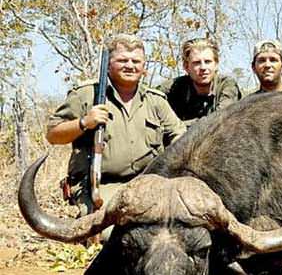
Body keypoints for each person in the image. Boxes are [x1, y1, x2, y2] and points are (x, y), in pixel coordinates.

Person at [47, 33, 187, 227]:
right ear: (109, 63)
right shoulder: (87, 94)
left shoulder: (156, 100)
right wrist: (84, 122)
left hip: (149, 184)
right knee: (113, 234)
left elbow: (180, 136)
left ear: (144, 66)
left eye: (136, 61)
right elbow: (53, 134)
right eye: (122, 60)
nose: (130, 65)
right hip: (101, 185)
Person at [157, 37, 242, 127]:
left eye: (208, 62)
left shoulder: (227, 85)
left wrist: (178, 126)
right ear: (186, 67)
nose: (203, 68)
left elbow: (220, 119)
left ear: (216, 64)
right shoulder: (173, 87)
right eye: (197, 63)